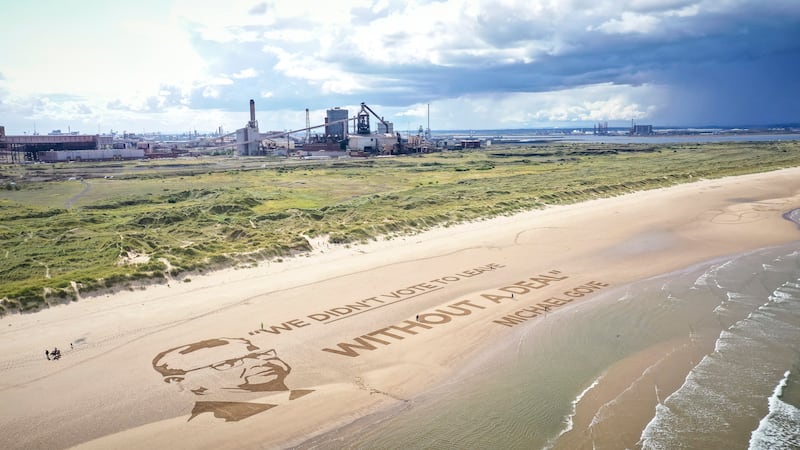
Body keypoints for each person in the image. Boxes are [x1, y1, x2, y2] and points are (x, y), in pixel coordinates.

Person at [152, 337, 313, 422]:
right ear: (179, 381)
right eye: (230, 363)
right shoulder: (214, 424)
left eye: (259, 354)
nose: (259, 362)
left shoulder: (319, 394)